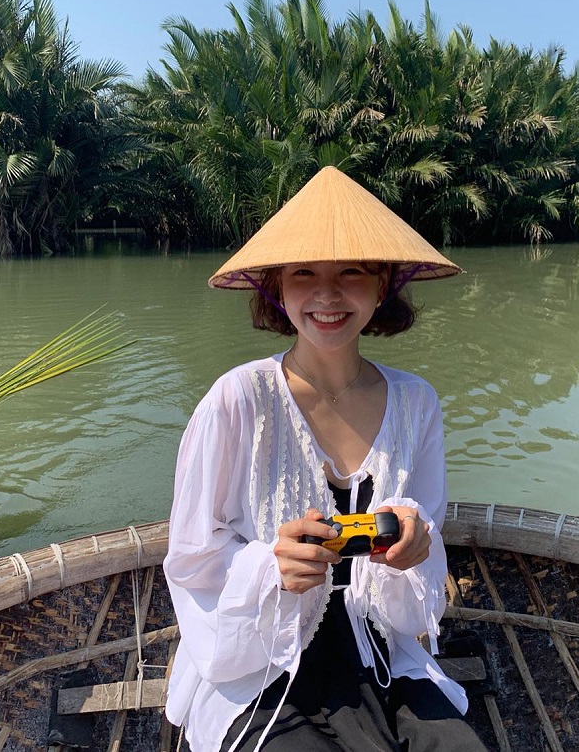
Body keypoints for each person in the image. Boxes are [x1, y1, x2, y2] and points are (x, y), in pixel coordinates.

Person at [164, 167, 487, 752]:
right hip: (262, 658)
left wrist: (415, 546)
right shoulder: (237, 400)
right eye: (304, 273)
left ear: (383, 284)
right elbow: (191, 558)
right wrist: (271, 567)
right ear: (277, 287)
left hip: (378, 646)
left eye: (352, 273)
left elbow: (427, 536)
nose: (328, 295)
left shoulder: (416, 403)